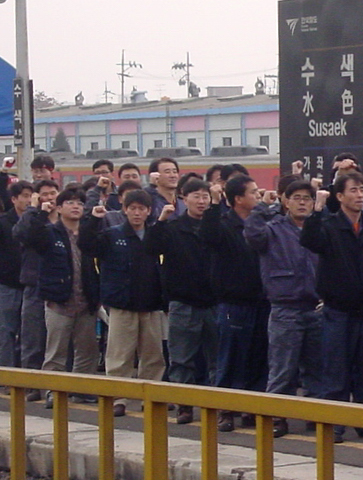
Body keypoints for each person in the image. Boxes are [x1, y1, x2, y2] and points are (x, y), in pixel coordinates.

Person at [301, 171, 363, 442]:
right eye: (353, 190)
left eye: (362, 190)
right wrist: (317, 209)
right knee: (335, 370)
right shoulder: (328, 225)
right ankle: (334, 425)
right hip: (337, 311)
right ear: (339, 196)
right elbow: (309, 240)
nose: (359, 195)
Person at [245, 180, 321, 438]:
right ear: (285, 201)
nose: (302, 202)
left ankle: (315, 415)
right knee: (282, 368)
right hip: (285, 307)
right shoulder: (273, 229)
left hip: (316, 306)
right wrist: (262, 208)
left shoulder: (318, 228)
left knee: (317, 368)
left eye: (307, 198)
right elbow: (252, 235)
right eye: (296, 197)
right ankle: (276, 416)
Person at [81, 189, 164, 417]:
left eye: (141, 209)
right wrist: (93, 220)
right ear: (124, 210)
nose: (137, 213)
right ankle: (119, 398)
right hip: (121, 304)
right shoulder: (112, 235)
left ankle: (151, 397)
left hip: (151, 304)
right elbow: (86, 245)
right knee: (119, 355)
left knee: (153, 356)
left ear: (149, 211)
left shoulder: (155, 235)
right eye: (132, 208)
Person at [202, 175, 270, 432]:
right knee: (230, 357)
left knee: (258, 357)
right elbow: (207, 236)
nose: (258, 195)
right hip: (233, 302)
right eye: (253, 192)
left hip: (262, 301)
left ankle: (252, 408)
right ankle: (226, 409)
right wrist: (214, 204)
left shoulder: (262, 223)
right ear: (238, 199)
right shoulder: (223, 223)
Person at [148, 178, 218, 423]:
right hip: (182, 302)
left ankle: (217, 405)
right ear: (183, 198)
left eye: (205, 196)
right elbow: (150, 248)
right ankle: (184, 406)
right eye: (196, 196)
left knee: (217, 359)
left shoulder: (216, 225)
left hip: (215, 302)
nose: (201, 201)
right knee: (181, 359)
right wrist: (160, 221)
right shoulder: (173, 227)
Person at [26, 188, 100, 405]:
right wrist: (40, 212)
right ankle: (54, 391)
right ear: (58, 208)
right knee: (56, 351)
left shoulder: (87, 233)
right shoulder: (51, 232)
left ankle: (81, 390)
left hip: (86, 301)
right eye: (69, 202)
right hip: (59, 301)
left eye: (79, 203)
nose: (76, 206)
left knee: (87, 351)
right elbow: (32, 238)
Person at [13, 179, 59, 378]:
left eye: (52, 193)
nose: (49, 198)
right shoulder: (32, 220)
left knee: (59, 343)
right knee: (32, 340)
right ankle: (31, 384)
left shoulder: (64, 220)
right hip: (35, 286)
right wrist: (33, 209)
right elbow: (20, 233)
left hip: (60, 287)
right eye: (44, 195)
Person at [0, 181, 33, 368]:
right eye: (25, 196)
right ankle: (6, 372)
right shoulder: (3, 222)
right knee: (6, 331)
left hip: (31, 286)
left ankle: (24, 373)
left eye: (31, 196)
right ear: (14, 199)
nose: (29, 200)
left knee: (29, 334)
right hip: (8, 285)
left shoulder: (37, 221)